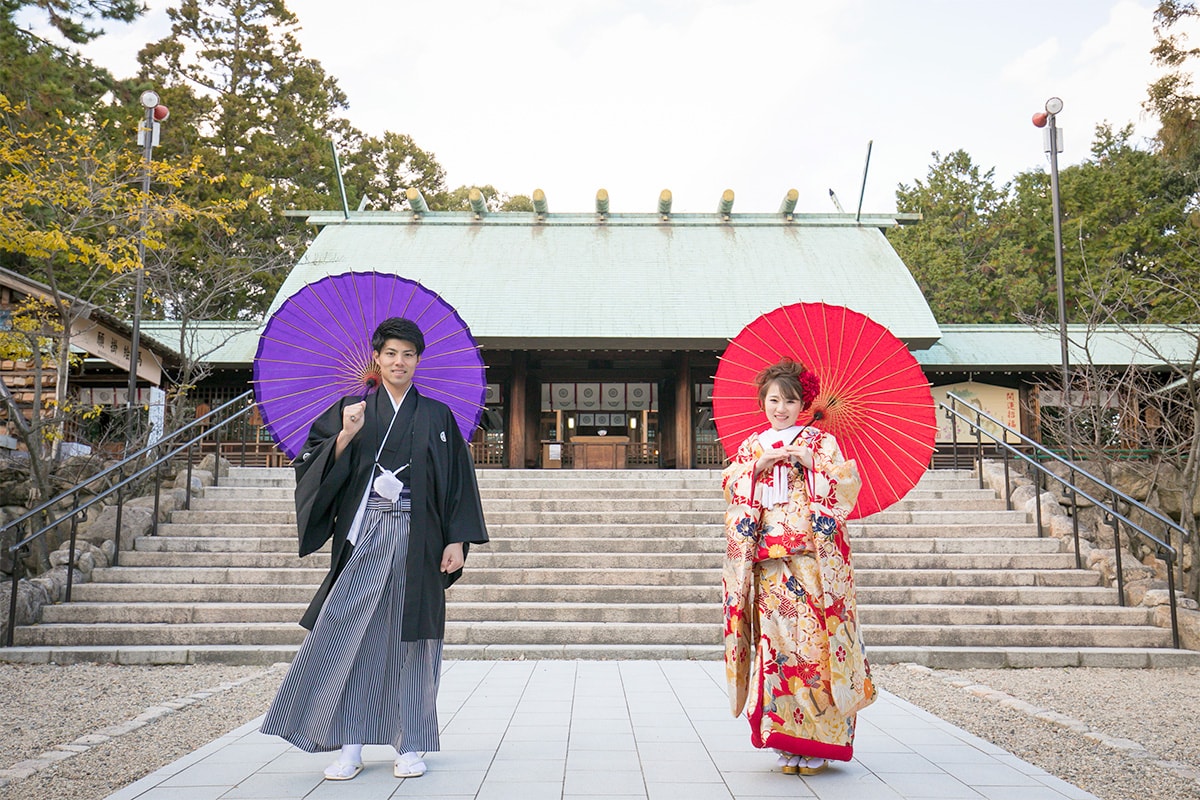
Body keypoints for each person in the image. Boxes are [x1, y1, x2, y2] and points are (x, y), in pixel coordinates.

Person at [260, 316, 488, 781]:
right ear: (377, 358)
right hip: (366, 534)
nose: (399, 361)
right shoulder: (351, 409)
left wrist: (457, 538)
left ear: (418, 360)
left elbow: (459, 482)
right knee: (349, 632)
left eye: (408, 354)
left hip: (420, 536)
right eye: (391, 353)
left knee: (413, 641)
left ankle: (411, 743)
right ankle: (350, 743)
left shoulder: (438, 415)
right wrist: (345, 435)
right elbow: (311, 465)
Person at [721, 357, 875, 777]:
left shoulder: (820, 442)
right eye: (773, 400)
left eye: (789, 401)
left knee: (815, 648)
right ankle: (786, 739)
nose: (780, 408)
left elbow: (846, 488)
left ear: (802, 402)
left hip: (810, 562)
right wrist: (755, 469)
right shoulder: (752, 446)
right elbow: (731, 488)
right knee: (778, 651)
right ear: (762, 402)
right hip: (769, 564)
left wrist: (813, 464)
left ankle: (822, 742)